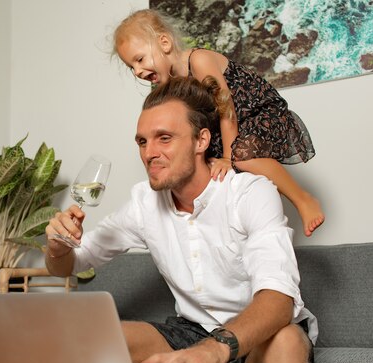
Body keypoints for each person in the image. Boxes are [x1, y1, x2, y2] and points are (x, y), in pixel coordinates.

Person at [45, 76, 317, 363]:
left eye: (164, 138)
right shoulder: (143, 203)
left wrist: (215, 349)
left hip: (260, 334)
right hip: (191, 330)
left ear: (201, 140)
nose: (150, 153)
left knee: (286, 345)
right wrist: (58, 248)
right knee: (93, 338)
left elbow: (278, 300)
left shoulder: (250, 193)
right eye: (142, 142)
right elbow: (71, 264)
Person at [111, 9, 324, 237]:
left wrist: (227, 157)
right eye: (131, 67)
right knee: (209, 171)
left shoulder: (198, 60)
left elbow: (226, 107)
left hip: (254, 113)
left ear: (164, 43)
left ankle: (303, 199)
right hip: (225, 129)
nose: (138, 71)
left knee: (242, 156)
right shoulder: (172, 86)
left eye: (140, 59)